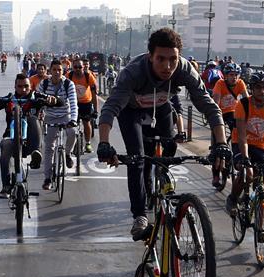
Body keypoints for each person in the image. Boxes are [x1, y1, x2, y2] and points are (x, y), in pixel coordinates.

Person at [96, 27, 231, 239]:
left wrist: (221, 144)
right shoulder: (133, 73)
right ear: (150, 56)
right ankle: (139, 215)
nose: (167, 66)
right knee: (137, 159)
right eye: (161, 59)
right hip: (132, 111)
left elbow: (209, 106)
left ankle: (163, 180)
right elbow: (110, 108)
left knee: (169, 148)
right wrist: (104, 143)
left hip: (161, 107)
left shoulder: (184, 69)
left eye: (173, 59)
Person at [0, 74, 60, 199]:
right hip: (12, 139)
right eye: (20, 86)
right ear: (15, 87)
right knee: (5, 146)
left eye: (26, 86)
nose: (23, 89)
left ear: (30, 87)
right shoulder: (9, 99)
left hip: (31, 141)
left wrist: (53, 100)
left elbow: (58, 102)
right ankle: (6, 186)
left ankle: (36, 154)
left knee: (33, 119)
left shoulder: (37, 97)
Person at [227, 73, 264, 215]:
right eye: (258, 88)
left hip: (262, 146)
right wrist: (245, 158)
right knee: (248, 172)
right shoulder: (243, 104)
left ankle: (262, 230)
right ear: (252, 89)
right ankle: (232, 199)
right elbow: (241, 135)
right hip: (241, 142)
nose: (262, 91)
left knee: (260, 186)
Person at [38, 60, 78, 189]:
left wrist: (74, 119)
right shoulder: (43, 84)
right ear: (50, 71)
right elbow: (36, 99)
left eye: (59, 70)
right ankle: (47, 178)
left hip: (66, 116)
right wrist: (37, 114)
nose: (57, 72)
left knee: (72, 133)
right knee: (49, 147)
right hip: (50, 117)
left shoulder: (68, 84)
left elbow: (73, 102)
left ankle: (67, 154)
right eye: (54, 70)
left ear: (63, 71)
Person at [211, 62, 247, 188]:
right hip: (220, 113)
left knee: (238, 136)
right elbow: (215, 101)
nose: (234, 77)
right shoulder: (220, 84)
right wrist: (215, 119)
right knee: (217, 144)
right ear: (225, 76)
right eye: (231, 75)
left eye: (236, 75)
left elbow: (246, 100)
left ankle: (237, 157)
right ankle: (216, 174)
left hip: (234, 113)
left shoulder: (240, 83)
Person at [69, 58, 99, 153]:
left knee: (86, 123)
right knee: (73, 125)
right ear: (72, 67)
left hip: (86, 103)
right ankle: (73, 144)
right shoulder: (68, 76)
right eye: (75, 67)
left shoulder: (88, 76)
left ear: (83, 67)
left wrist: (96, 110)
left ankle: (88, 143)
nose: (77, 69)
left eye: (80, 67)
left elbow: (94, 95)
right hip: (73, 104)